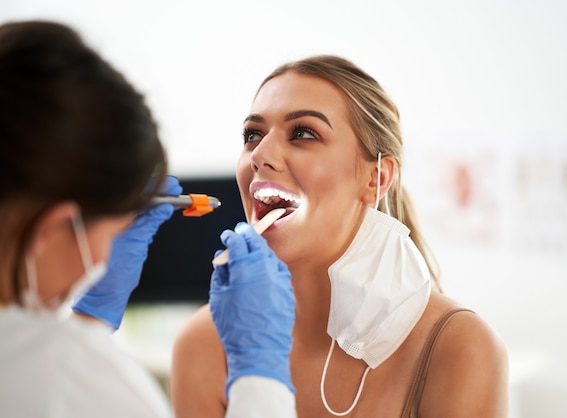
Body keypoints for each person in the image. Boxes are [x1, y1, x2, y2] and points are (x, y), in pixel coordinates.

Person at [170, 55, 510, 418]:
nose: (261, 154)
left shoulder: (458, 347)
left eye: (303, 133)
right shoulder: (205, 343)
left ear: (375, 179)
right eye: (253, 135)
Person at [0, 19, 296, 418]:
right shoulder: (66, 369)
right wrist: (260, 376)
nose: (262, 156)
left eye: (304, 134)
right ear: (51, 228)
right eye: (110, 235)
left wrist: (89, 320)